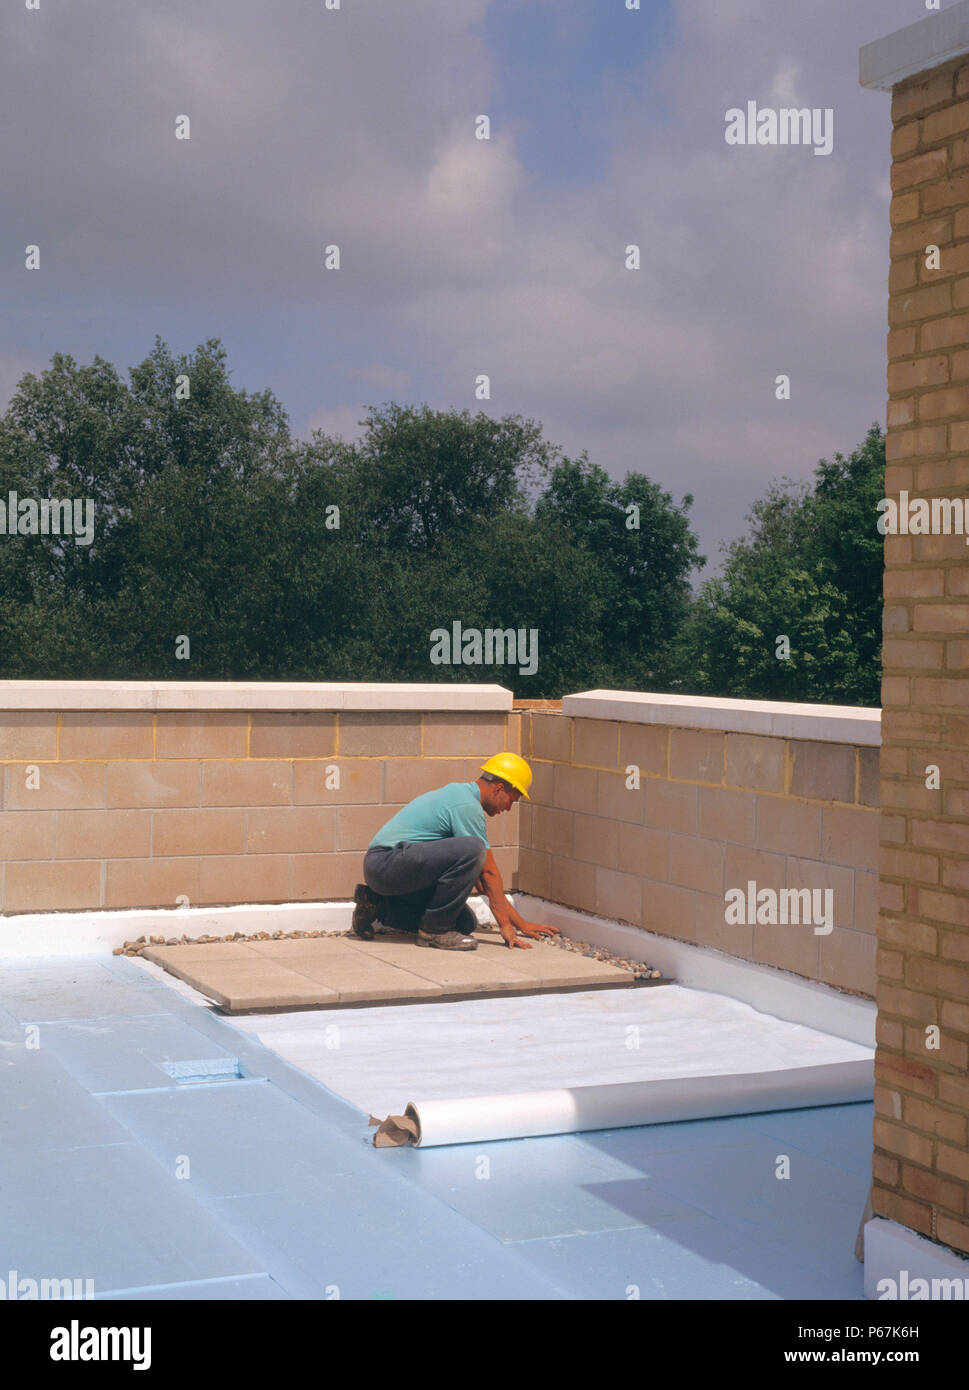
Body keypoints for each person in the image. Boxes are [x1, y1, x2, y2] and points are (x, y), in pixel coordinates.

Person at [352, 752, 559, 952]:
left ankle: (376, 904)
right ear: (498, 789)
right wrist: (506, 927)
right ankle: (433, 931)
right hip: (385, 863)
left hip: (389, 870)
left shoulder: (462, 797)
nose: (509, 808)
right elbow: (488, 874)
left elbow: (483, 881)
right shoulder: (467, 805)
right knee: (474, 847)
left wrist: (520, 924)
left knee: (464, 923)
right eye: (512, 800)